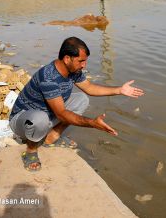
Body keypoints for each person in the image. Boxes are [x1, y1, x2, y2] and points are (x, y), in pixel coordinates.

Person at [9, 36, 144, 171]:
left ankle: (51, 137)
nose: (84, 65)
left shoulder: (74, 71)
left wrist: (119, 90)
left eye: (85, 61)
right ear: (67, 59)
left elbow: (90, 88)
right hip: (23, 121)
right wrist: (92, 123)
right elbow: (62, 114)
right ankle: (31, 150)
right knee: (40, 119)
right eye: (81, 61)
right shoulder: (48, 77)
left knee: (81, 99)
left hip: (47, 113)